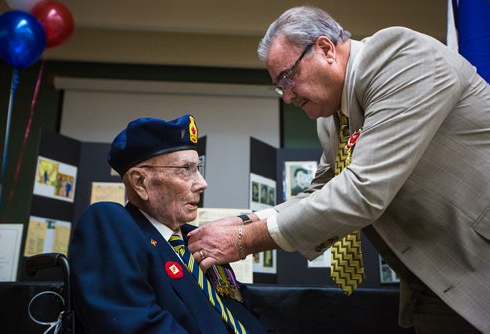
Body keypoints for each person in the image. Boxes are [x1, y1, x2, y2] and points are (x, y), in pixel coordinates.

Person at [187, 6, 490, 334]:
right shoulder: (331, 121)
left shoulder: (401, 58)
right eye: (279, 86)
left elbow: (362, 191)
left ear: (325, 49)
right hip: (433, 280)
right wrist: (248, 220)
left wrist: (244, 240)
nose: (287, 96)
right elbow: (319, 191)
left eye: (288, 78)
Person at [69, 114, 267, 333]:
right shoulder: (111, 224)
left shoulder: (199, 240)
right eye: (185, 170)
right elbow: (135, 325)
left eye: (198, 168)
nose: (202, 183)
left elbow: (244, 314)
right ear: (140, 182)